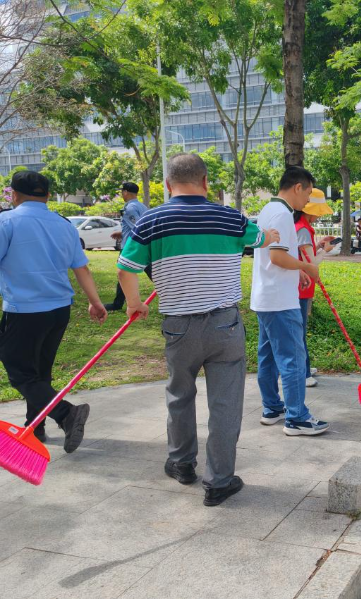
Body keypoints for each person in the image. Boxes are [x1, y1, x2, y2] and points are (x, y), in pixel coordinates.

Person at [117, 153, 278, 507]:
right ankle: (219, 481)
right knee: (225, 403)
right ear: (205, 182)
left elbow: (126, 269)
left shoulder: (150, 221)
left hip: (178, 327)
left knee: (179, 395)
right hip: (224, 325)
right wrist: (271, 234)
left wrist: (134, 303)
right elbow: (260, 239)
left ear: (167, 184)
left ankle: (181, 463)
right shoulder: (230, 218)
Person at [0, 171, 106, 450]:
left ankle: (65, 413)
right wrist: (95, 302)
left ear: (14, 194)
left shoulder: (6, 222)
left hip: (24, 311)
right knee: (39, 371)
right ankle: (34, 428)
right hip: (59, 310)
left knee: (20, 372)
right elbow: (81, 267)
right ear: (47, 195)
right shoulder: (64, 224)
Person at [251, 167, 329, 436]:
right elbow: (277, 257)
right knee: (293, 358)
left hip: (265, 297)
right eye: (308, 193)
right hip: (280, 301)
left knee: (268, 357)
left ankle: (272, 408)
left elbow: (274, 256)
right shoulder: (284, 214)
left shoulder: (267, 209)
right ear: (298, 187)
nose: (307, 201)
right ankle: (297, 418)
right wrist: (306, 267)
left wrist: (297, 272)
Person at [295, 188, 335, 388]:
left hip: (303, 286)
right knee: (299, 330)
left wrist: (318, 246)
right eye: (318, 212)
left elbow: (305, 255)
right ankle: (301, 373)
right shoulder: (302, 229)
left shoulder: (303, 227)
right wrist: (324, 252)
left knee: (300, 328)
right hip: (300, 287)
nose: (319, 216)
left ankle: (304, 366)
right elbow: (311, 264)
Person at [104, 182, 150, 311]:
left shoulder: (129, 208)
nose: (121, 195)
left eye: (122, 192)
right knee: (128, 274)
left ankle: (117, 304)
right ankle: (117, 303)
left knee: (123, 273)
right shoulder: (142, 206)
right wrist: (122, 233)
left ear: (125, 192)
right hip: (141, 245)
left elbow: (138, 228)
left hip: (132, 247)